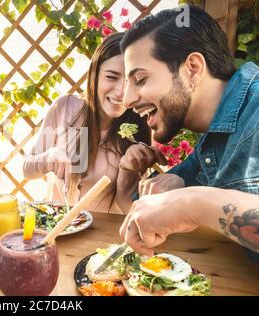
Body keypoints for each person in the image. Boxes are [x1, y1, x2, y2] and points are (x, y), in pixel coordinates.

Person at [119, 6, 259, 254]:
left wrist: (192, 204)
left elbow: (190, 204)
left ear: (193, 68)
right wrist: (179, 186)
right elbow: (145, 208)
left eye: (140, 79)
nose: (127, 99)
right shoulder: (211, 141)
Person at [23, 33, 165, 213]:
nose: (121, 93)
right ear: (95, 75)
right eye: (112, 77)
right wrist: (47, 158)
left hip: (100, 234)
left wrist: (127, 172)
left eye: (132, 81)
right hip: (56, 227)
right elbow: (27, 170)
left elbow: (128, 207)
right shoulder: (65, 107)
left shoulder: (138, 126)